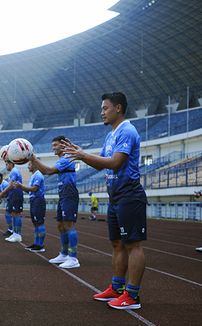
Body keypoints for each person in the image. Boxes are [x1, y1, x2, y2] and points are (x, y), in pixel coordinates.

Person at [62, 92, 146, 310]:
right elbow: (100, 164)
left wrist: (83, 156)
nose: (102, 112)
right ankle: (117, 288)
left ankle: (133, 295)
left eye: (105, 108)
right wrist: (81, 154)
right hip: (115, 196)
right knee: (117, 244)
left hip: (129, 194)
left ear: (118, 108)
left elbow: (116, 163)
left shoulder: (127, 130)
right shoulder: (111, 135)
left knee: (133, 244)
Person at [29, 135, 80, 269]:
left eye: (55, 145)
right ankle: (63, 254)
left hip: (69, 194)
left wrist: (34, 159)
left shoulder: (67, 158)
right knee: (61, 225)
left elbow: (48, 171)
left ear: (63, 145)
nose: (53, 148)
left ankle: (73, 257)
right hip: (63, 194)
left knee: (68, 225)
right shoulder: (63, 159)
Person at [14, 160, 46, 252]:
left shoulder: (38, 175)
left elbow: (34, 189)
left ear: (35, 165)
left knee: (39, 222)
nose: (28, 166)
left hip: (38, 200)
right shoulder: (33, 175)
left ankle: (40, 245)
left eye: (29, 164)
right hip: (34, 200)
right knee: (36, 223)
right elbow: (30, 191)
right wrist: (21, 187)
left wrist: (20, 186)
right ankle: (36, 243)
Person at [0, 161, 24, 243]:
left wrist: (2, 193)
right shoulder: (12, 172)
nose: (6, 166)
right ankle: (15, 234)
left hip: (16, 194)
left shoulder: (14, 171)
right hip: (13, 195)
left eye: (7, 164)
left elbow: (11, 185)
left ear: (11, 164)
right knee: (13, 214)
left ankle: (18, 235)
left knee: (17, 214)